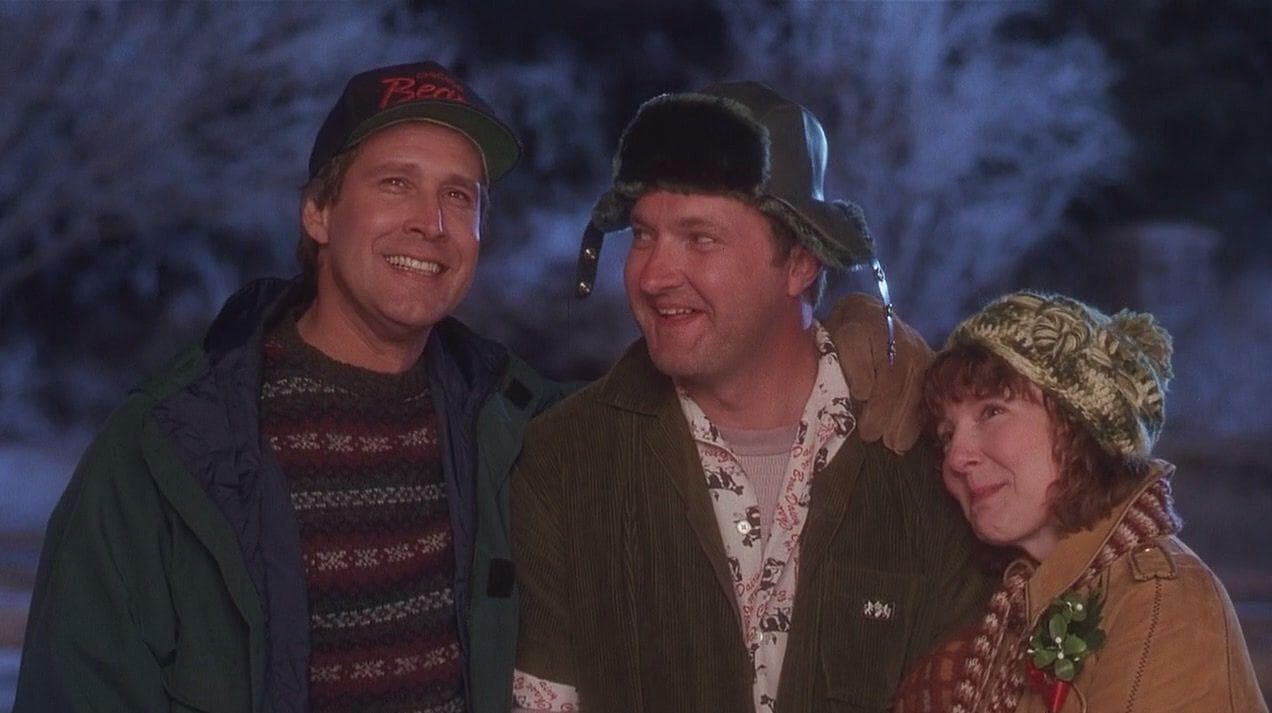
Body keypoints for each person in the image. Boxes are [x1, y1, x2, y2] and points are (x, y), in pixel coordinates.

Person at [15, 60, 562, 713]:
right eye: (395, 183)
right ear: (318, 213)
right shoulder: (170, 448)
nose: (432, 222)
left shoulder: (516, 426)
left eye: (459, 195)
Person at [511, 81, 994, 713]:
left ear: (800, 263)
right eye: (644, 235)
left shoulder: (928, 465)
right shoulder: (565, 462)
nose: (653, 276)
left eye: (700, 238)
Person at [896, 291, 1267, 712]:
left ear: (1076, 424)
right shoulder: (1016, 606)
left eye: (992, 412)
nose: (956, 458)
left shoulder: (1158, 602)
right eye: (947, 435)